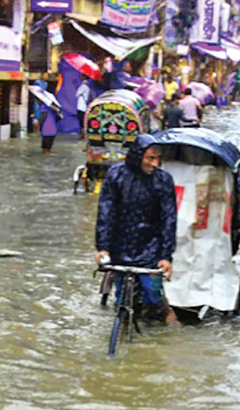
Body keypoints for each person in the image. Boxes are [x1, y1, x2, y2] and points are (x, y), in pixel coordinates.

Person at [94, 134, 179, 325]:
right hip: (120, 243)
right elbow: (105, 213)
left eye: (158, 159)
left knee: (152, 291)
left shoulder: (163, 180)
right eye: (150, 158)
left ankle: (162, 309)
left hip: (151, 245)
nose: (155, 163)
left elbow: (168, 219)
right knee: (122, 297)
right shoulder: (115, 175)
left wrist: (166, 255)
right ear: (138, 156)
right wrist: (103, 247)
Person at [76, 74, 91, 139]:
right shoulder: (88, 86)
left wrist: (75, 86)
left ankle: (82, 135)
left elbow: (77, 94)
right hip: (84, 106)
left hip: (81, 106)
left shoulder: (83, 86)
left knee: (81, 121)